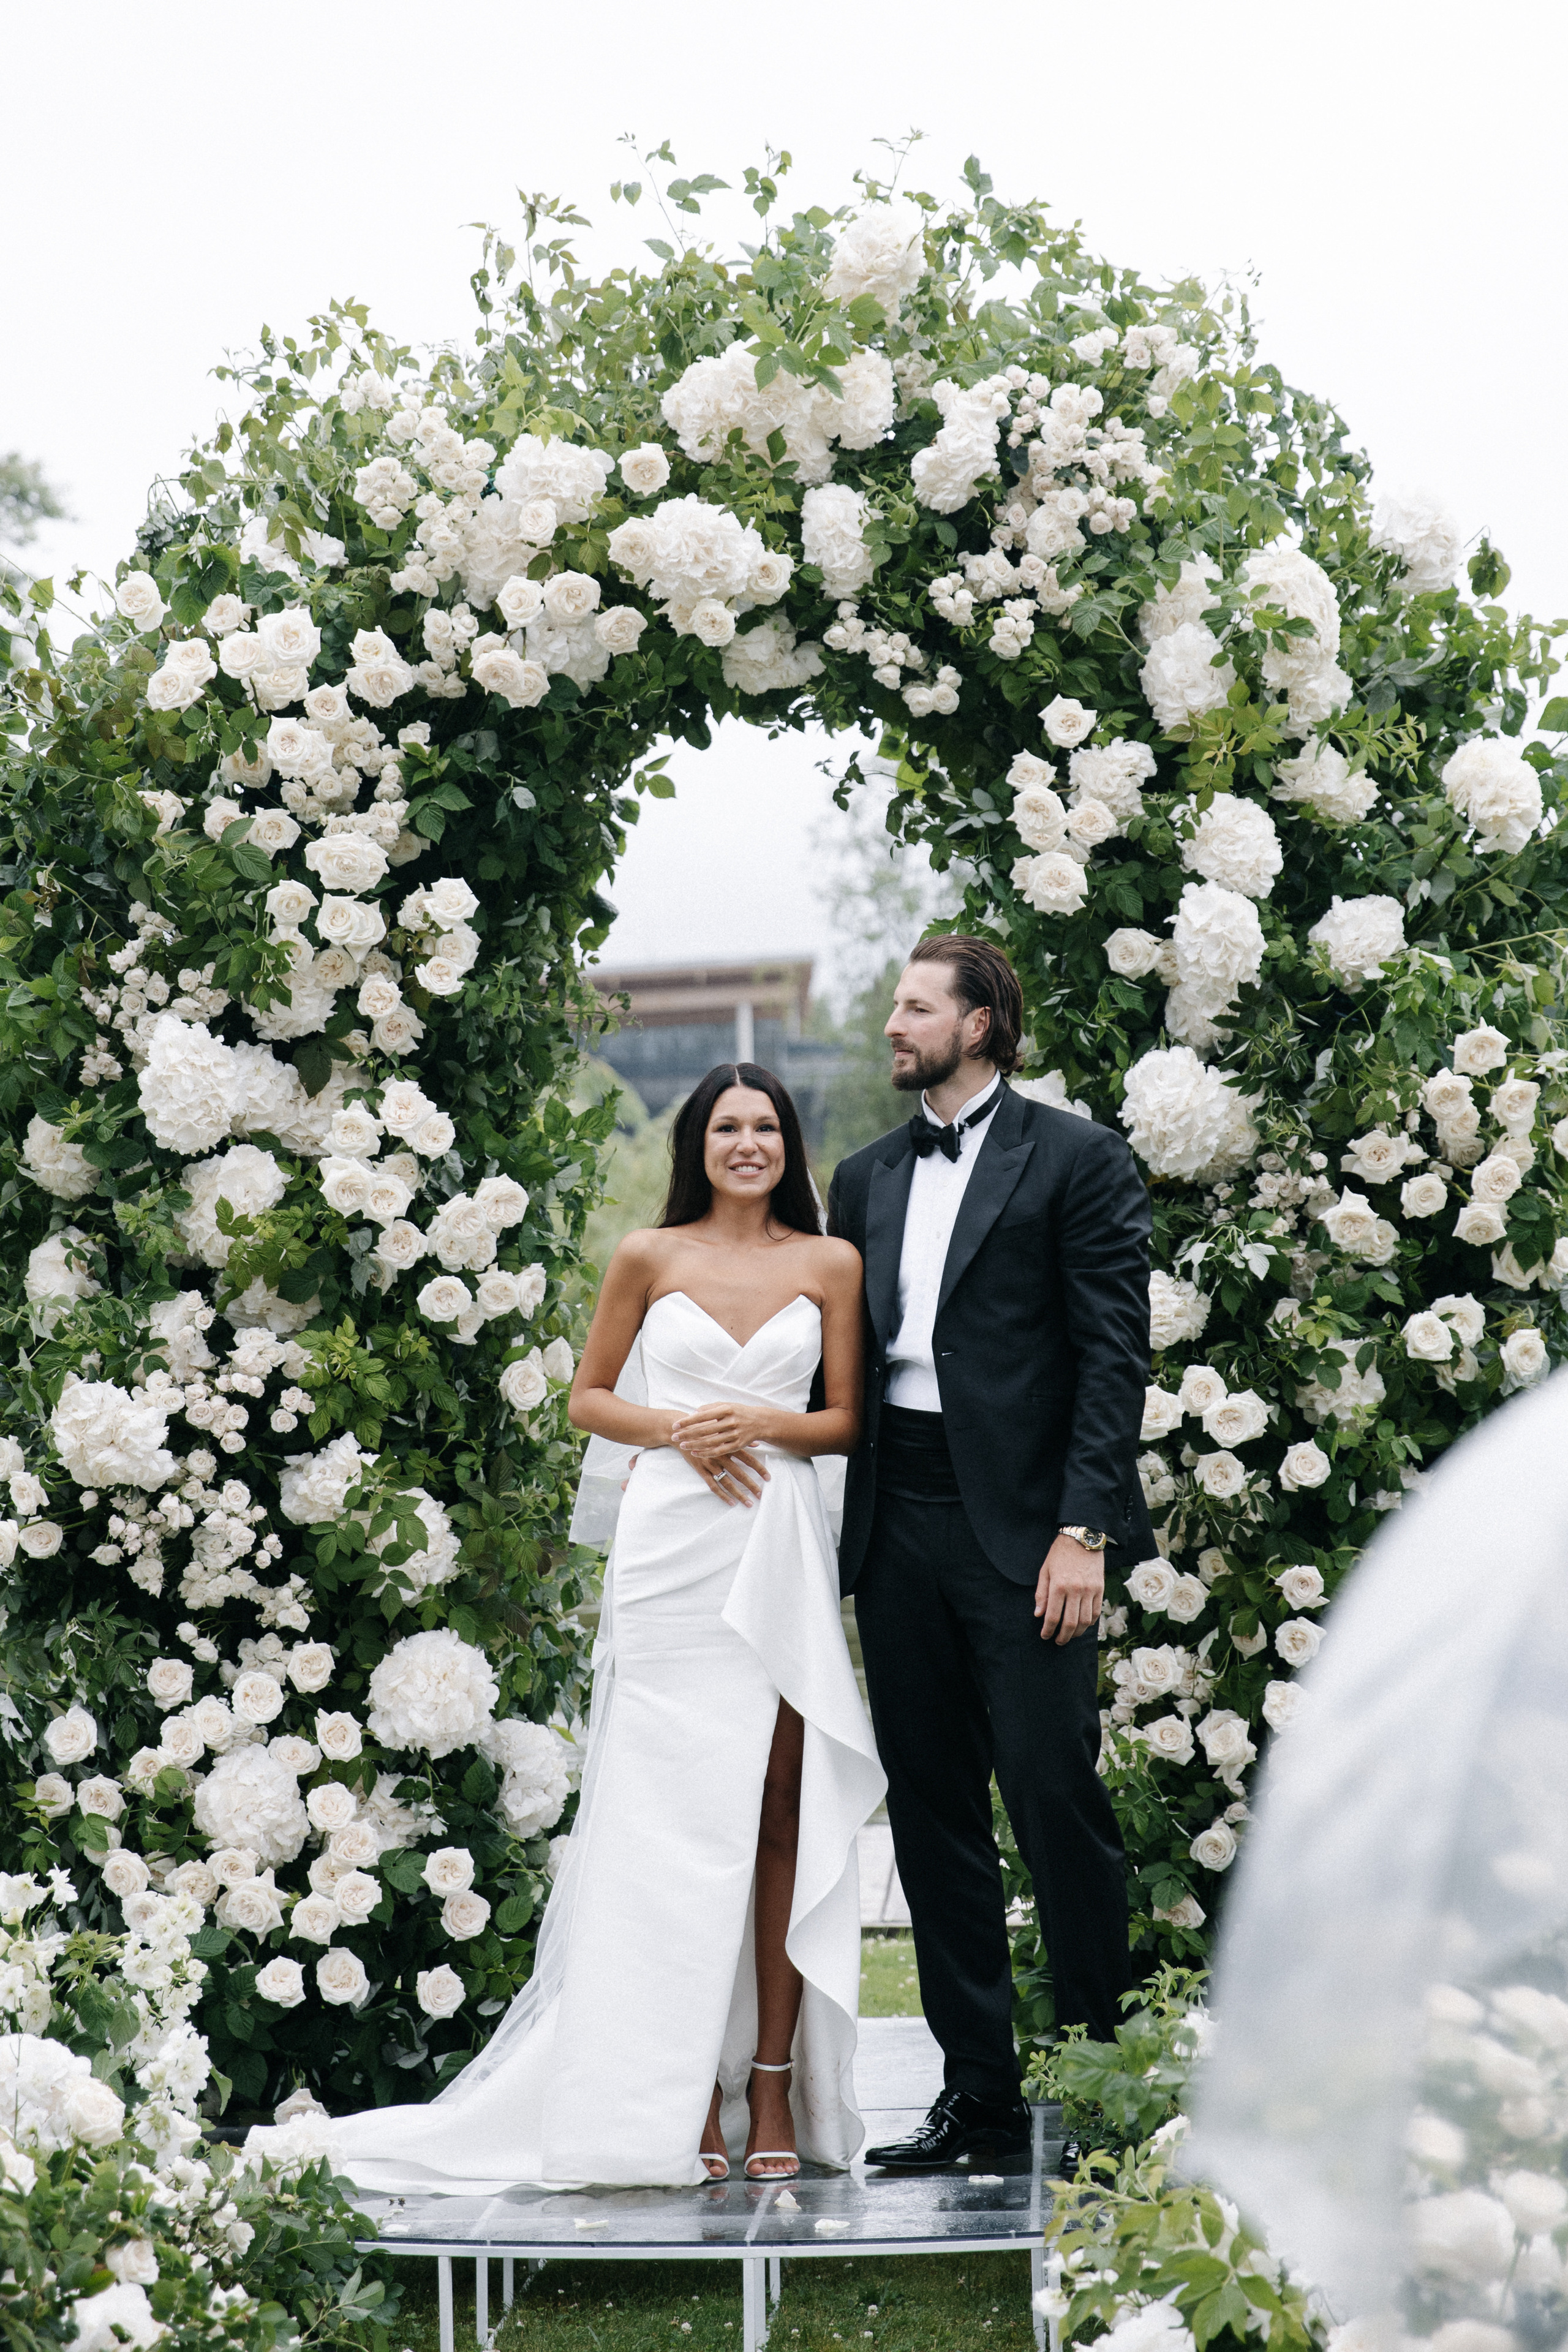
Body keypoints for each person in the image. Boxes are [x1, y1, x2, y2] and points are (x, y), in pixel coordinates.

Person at [323, 1063, 884, 2193]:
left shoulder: (830, 1263)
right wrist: (686, 1430)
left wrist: (756, 1424)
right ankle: (665, 2093)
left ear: (790, 1144)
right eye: (726, 1126)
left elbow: (844, 1419)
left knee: (777, 1810)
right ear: (698, 1141)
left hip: (772, 1550)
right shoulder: (648, 1255)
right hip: (672, 1559)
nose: (747, 1143)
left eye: (766, 1127)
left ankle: (769, 2080)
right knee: (663, 1818)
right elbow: (590, 1400)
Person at [827, 936, 1154, 2169]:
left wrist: (1083, 1533)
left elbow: (1111, 1359)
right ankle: (978, 2101)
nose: (890, 1024)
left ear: (978, 1024)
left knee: (1053, 1800)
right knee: (929, 1817)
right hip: (893, 1522)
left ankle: (1102, 2091)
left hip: (1025, 1535)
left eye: (913, 1007)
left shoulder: (1076, 1159)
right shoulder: (861, 1177)